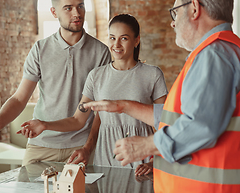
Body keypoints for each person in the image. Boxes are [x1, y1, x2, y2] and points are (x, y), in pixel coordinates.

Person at [83, 0, 240, 193]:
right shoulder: (224, 50)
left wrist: (146, 145)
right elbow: (181, 116)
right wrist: (124, 106)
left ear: (194, 9)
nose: (173, 22)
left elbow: (200, 125)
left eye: (175, 12)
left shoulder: (214, 54)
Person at [0, 0, 111, 166]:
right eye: (68, 8)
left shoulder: (101, 53)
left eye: (80, 6)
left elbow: (102, 111)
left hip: (81, 147)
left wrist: (88, 147)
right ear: (54, 12)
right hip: (41, 144)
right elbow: (20, 98)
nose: (76, 13)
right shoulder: (40, 49)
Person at [17, 14, 168, 175]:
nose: (116, 44)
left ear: (136, 40)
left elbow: (165, 121)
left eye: (124, 38)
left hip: (142, 158)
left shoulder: (153, 74)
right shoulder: (96, 76)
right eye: (112, 38)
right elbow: (77, 120)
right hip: (106, 159)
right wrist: (44, 125)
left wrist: (155, 160)